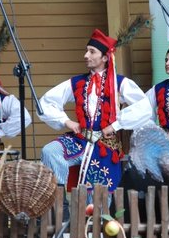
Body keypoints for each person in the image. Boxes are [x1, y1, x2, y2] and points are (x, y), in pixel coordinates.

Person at [39, 29, 151, 196]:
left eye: (92, 52)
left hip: (104, 145)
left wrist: (116, 125)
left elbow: (144, 107)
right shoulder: (77, 82)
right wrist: (66, 122)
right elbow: (45, 102)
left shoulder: (119, 83)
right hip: (80, 140)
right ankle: (60, 205)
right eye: (87, 50)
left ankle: (97, 218)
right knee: (50, 151)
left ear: (105, 57)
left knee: (97, 202)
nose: (86, 55)